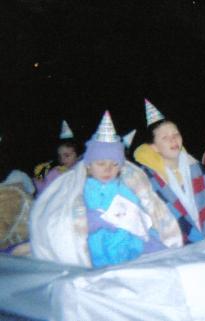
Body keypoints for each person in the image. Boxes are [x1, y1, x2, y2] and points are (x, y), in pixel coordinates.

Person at [31, 111, 182, 267]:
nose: (108, 169)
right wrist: (94, 220)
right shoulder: (82, 190)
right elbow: (71, 220)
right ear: (89, 165)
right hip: (97, 254)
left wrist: (148, 231)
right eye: (101, 164)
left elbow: (139, 217)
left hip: (129, 248)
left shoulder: (125, 188)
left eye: (114, 164)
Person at [134, 99, 205, 244]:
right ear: (154, 147)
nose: (173, 140)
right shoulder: (147, 179)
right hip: (176, 248)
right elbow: (155, 223)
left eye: (176, 134)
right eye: (165, 137)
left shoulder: (197, 168)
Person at [33, 120, 80, 195]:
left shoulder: (84, 169)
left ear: (77, 155)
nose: (62, 159)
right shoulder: (56, 172)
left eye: (67, 155)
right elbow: (45, 193)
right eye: (60, 156)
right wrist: (38, 182)